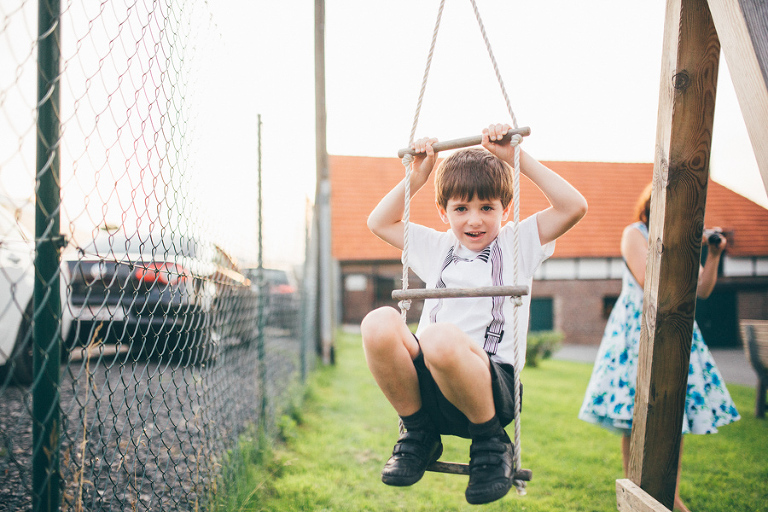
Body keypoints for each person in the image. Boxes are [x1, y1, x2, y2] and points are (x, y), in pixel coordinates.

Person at [361, 123, 588, 504]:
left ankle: (490, 442)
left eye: (487, 208)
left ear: (505, 208)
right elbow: (378, 222)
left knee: (437, 338)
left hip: (490, 388)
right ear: (443, 210)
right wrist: (416, 177)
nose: (475, 220)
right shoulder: (435, 246)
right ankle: (418, 433)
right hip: (429, 392)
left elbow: (574, 206)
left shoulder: (519, 242)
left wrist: (515, 158)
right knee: (378, 324)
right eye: (461, 209)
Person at [578, 183, 740, 512]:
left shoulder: (683, 242)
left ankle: (672, 495)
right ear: (654, 206)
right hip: (638, 331)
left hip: (677, 328)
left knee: (673, 418)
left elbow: (703, 291)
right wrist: (679, 248)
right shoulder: (634, 233)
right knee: (634, 417)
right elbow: (646, 279)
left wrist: (713, 254)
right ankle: (633, 490)